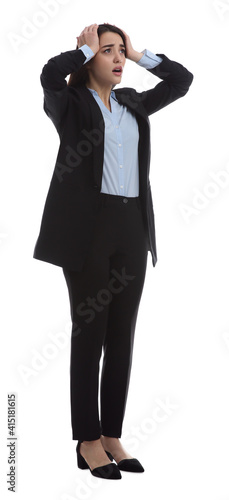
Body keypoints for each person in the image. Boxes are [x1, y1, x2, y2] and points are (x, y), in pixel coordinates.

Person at [33, 23, 193, 480]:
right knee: (90, 333)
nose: (118, 59)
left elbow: (181, 81)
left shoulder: (133, 102)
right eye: (108, 51)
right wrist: (80, 50)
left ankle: (111, 434)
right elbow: (48, 76)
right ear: (89, 59)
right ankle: (86, 439)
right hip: (87, 229)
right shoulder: (71, 104)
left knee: (122, 335)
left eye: (120, 51)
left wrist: (141, 53)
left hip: (131, 227)